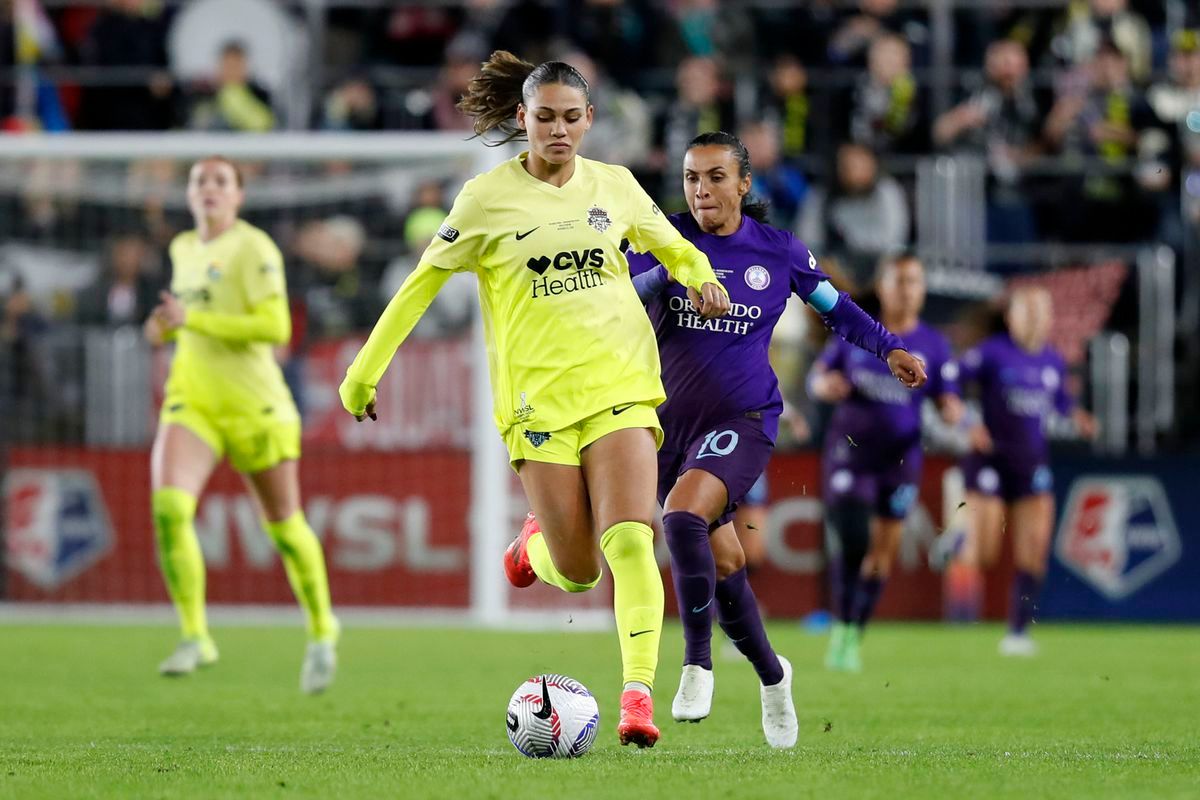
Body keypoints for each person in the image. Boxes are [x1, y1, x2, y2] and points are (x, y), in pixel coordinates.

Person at [337, 52, 730, 748]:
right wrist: (364, 372)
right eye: (544, 117)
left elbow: (676, 248)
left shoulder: (616, 186)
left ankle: (638, 697)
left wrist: (700, 273)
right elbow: (420, 286)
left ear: (590, 121)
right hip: (537, 405)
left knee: (633, 539)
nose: (558, 130)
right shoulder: (485, 200)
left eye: (571, 118)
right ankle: (530, 548)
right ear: (521, 119)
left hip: (620, 384)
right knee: (578, 572)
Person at [628, 131, 926, 746]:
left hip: (745, 418)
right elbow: (617, 300)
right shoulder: (661, 238)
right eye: (690, 178)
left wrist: (889, 346)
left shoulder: (778, 251)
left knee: (682, 519)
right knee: (728, 562)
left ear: (743, 184)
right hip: (667, 428)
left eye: (715, 177)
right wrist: (669, 275)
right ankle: (773, 678)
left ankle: (695, 665)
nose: (701, 190)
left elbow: (836, 307)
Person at [144, 157, 338, 693]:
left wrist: (193, 320)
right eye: (199, 180)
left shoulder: (254, 248)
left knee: (284, 526)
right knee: (169, 508)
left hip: (255, 405)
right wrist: (160, 328)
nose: (208, 188)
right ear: (189, 194)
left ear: (238, 196)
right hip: (193, 401)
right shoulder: (182, 249)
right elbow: (180, 319)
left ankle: (323, 630)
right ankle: (194, 634)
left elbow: (276, 327)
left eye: (220, 181)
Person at [809, 253, 962, 673]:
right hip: (850, 452)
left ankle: (853, 633)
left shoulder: (933, 344)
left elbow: (949, 397)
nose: (906, 289)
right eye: (898, 281)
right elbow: (818, 377)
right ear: (882, 287)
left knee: (880, 555)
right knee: (854, 541)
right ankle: (841, 626)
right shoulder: (859, 331)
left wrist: (952, 410)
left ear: (923, 289)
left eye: (914, 281)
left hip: (900, 459)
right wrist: (827, 384)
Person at [951, 286, 1095, 656]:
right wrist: (968, 421)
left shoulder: (1053, 361)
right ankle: (956, 543)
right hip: (990, 460)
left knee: (1034, 552)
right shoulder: (991, 353)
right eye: (1025, 311)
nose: (1033, 318)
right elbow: (950, 381)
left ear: (1049, 318)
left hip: (1031, 463)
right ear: (1011, 317)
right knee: (984, 554)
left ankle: (1018, 632)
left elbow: (1062, 402)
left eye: (1039, 311)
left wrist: (1079, 418)